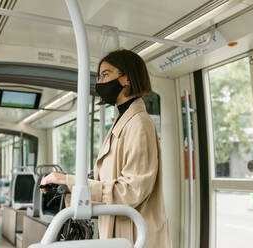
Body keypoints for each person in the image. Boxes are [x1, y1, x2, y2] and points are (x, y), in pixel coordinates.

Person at [41, 49, 172, 247]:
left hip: (135, 235)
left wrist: (70, 182)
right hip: (119, 232)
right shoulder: (122, 122)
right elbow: (108, 184)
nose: (100, 83)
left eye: (105, 75)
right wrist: (68, 188)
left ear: (126, 78)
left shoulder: (139, 123)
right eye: (99, 76)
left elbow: (131, 191)